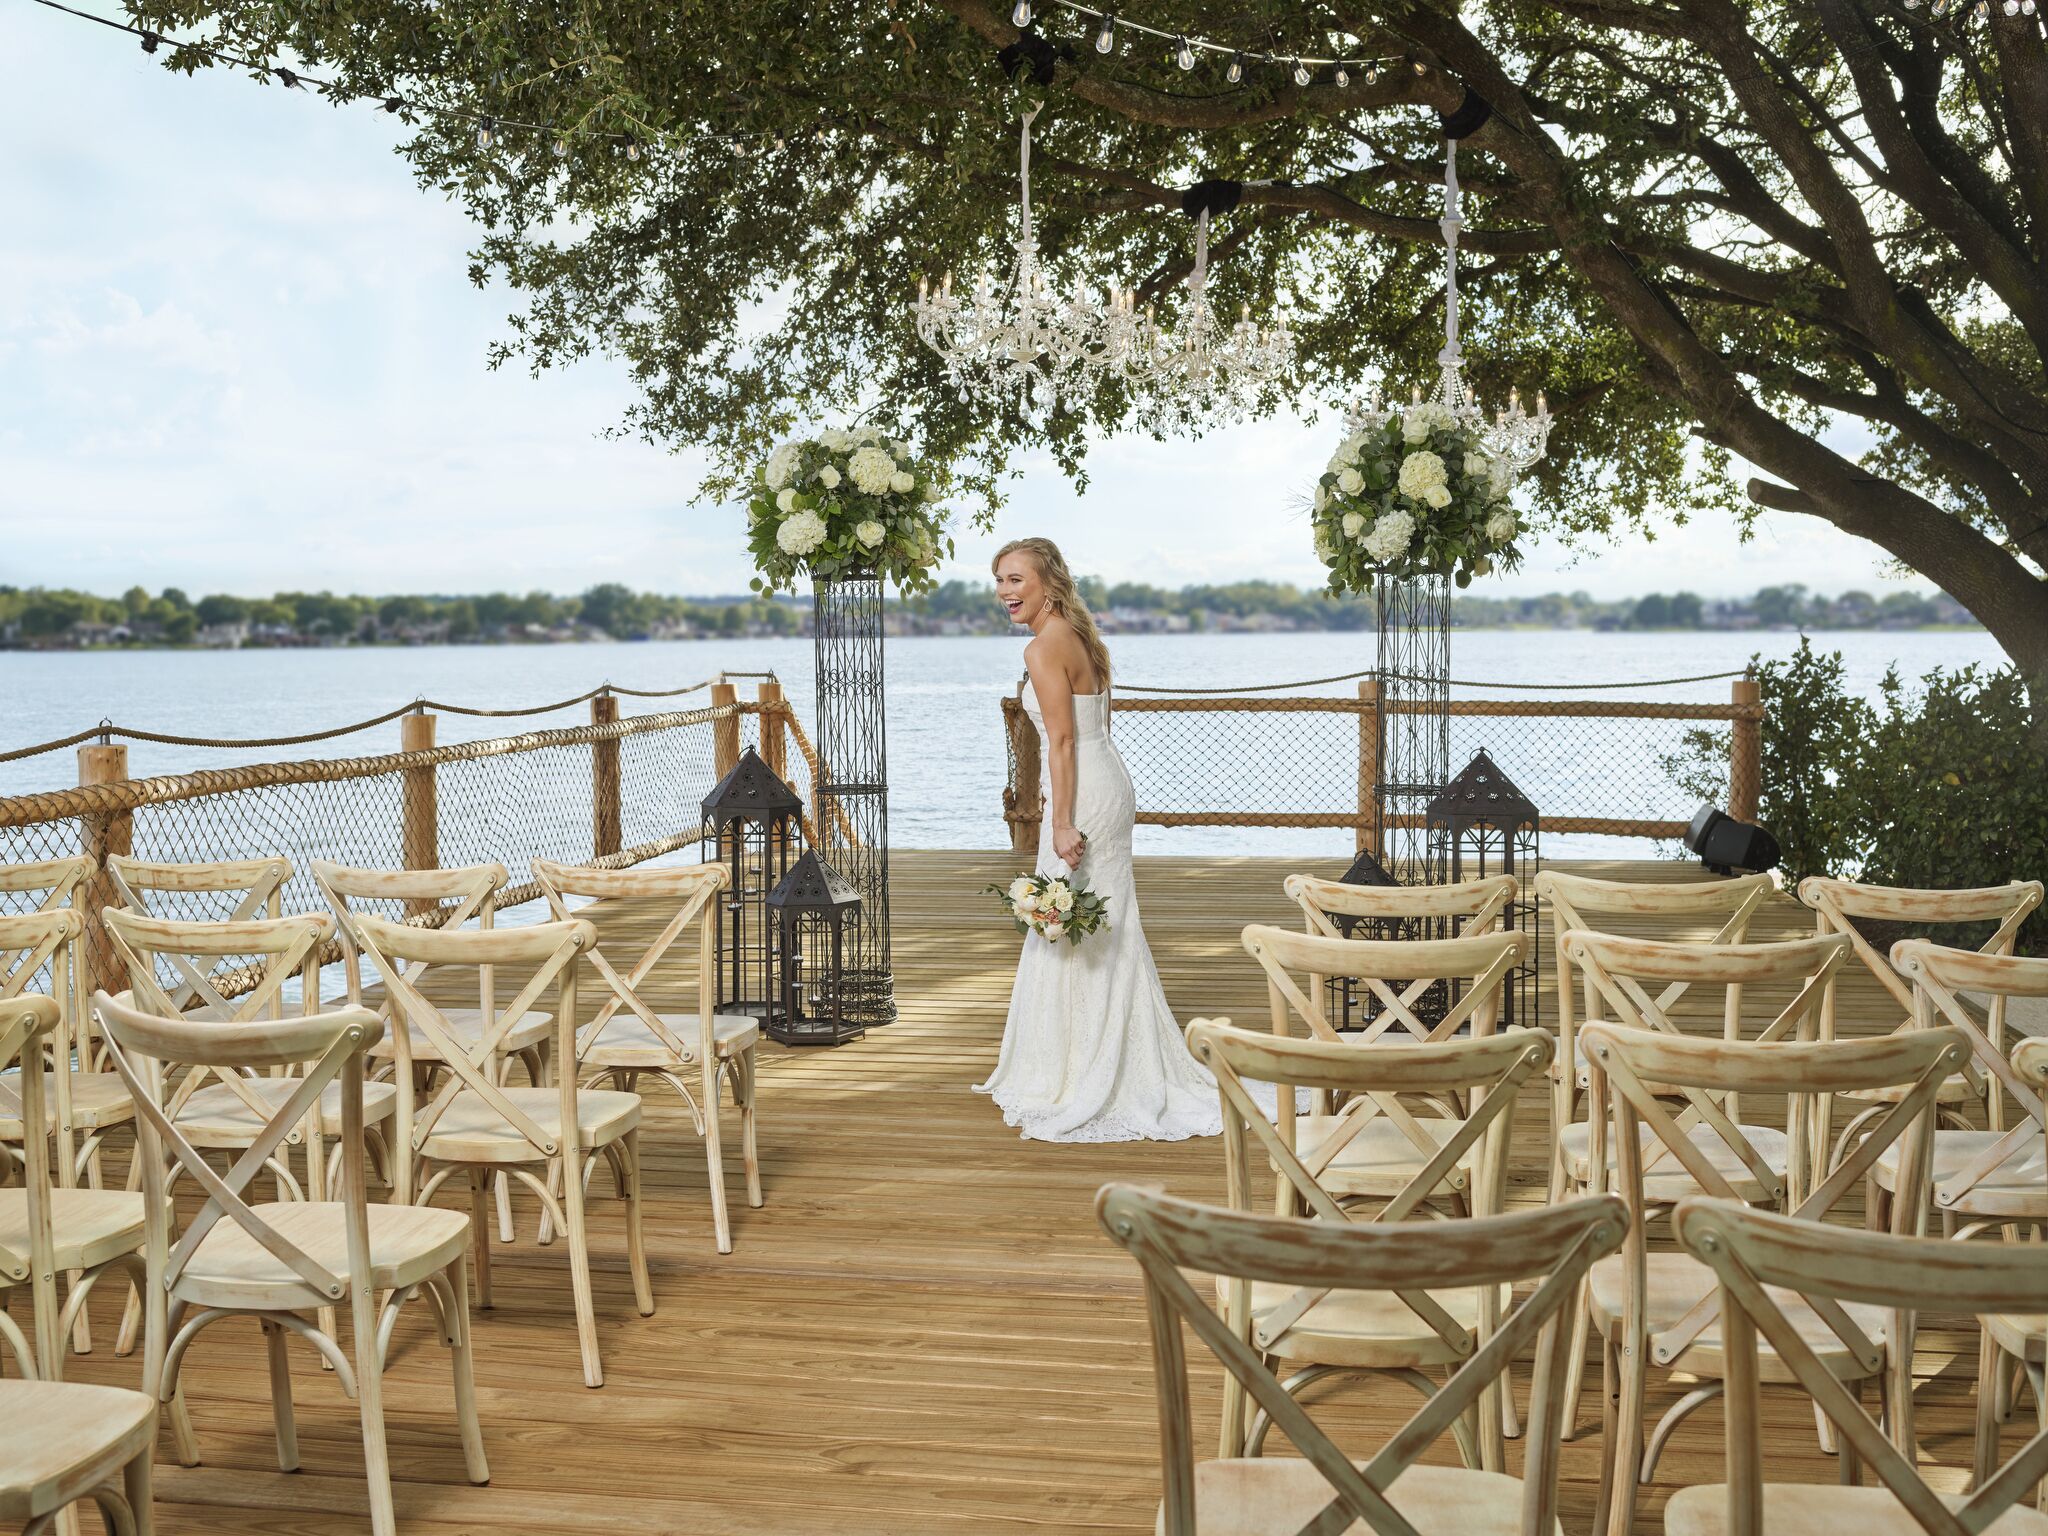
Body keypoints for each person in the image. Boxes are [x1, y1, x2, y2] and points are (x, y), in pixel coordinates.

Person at [973, 537, 1225, 1142]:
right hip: (1107, 779)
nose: (1005, 592)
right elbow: (1091, 730)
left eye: (1016, 580)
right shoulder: (1082, 638)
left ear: (1047, 582)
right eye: (999, 581)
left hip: (1082, 791)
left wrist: (1059, 821)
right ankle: (1085, 1056)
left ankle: (1082, 1069)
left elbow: (1060, 742)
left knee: (1073, 921)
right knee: (1100, 922)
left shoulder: (1042, 648)